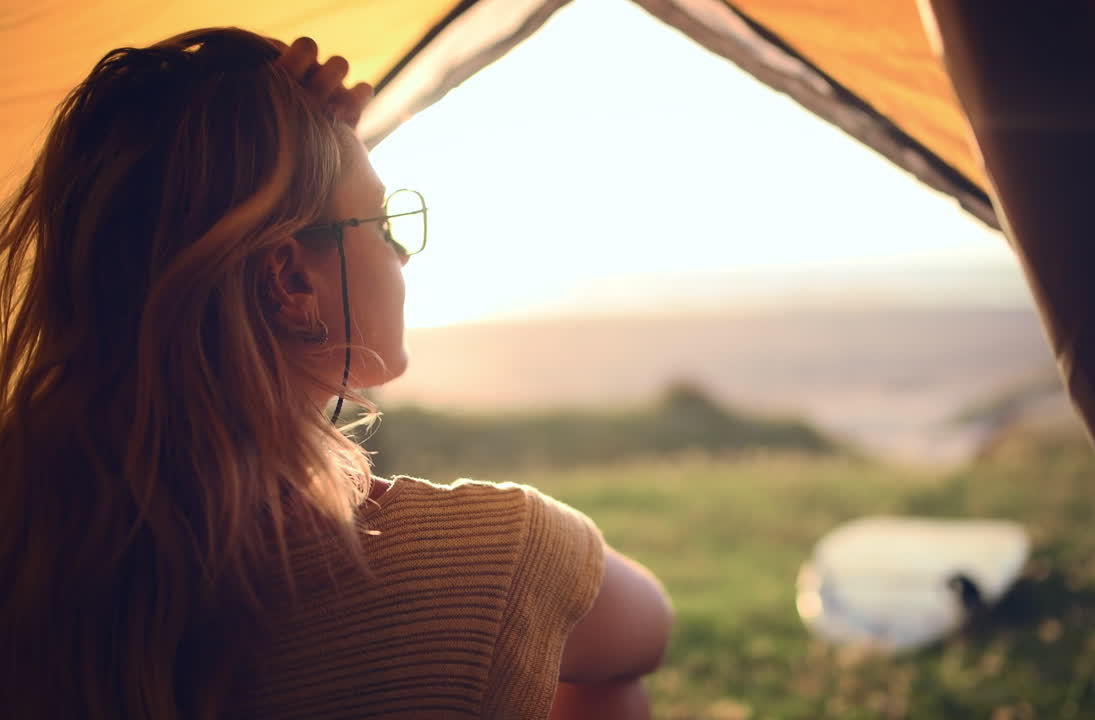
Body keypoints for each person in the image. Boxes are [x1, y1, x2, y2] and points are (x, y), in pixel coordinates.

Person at [0, 28, 672, 720]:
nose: (401, 254)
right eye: (382, 222)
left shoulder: (35, 535)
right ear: (291, 281)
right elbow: (648, 629)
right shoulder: (480, 562)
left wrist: (327, 161)